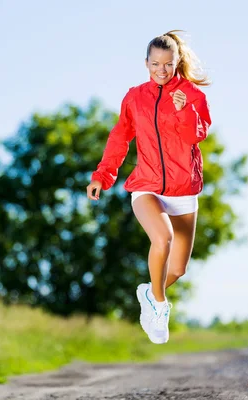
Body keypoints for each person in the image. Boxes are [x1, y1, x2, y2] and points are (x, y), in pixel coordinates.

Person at [86, 30, 211, 344]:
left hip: (184, 189)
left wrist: (185, 110)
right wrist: (102, 175)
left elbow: (197, 136)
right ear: (146, 63)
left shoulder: (193, 95)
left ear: (176, 62)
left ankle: (148, 292)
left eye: (168, 64)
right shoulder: (135, 96)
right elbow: (120, 138)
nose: (162, 70)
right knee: (162, 238)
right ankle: (159, 305)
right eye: (155, 63)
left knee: (179, 268)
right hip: (148, 185)